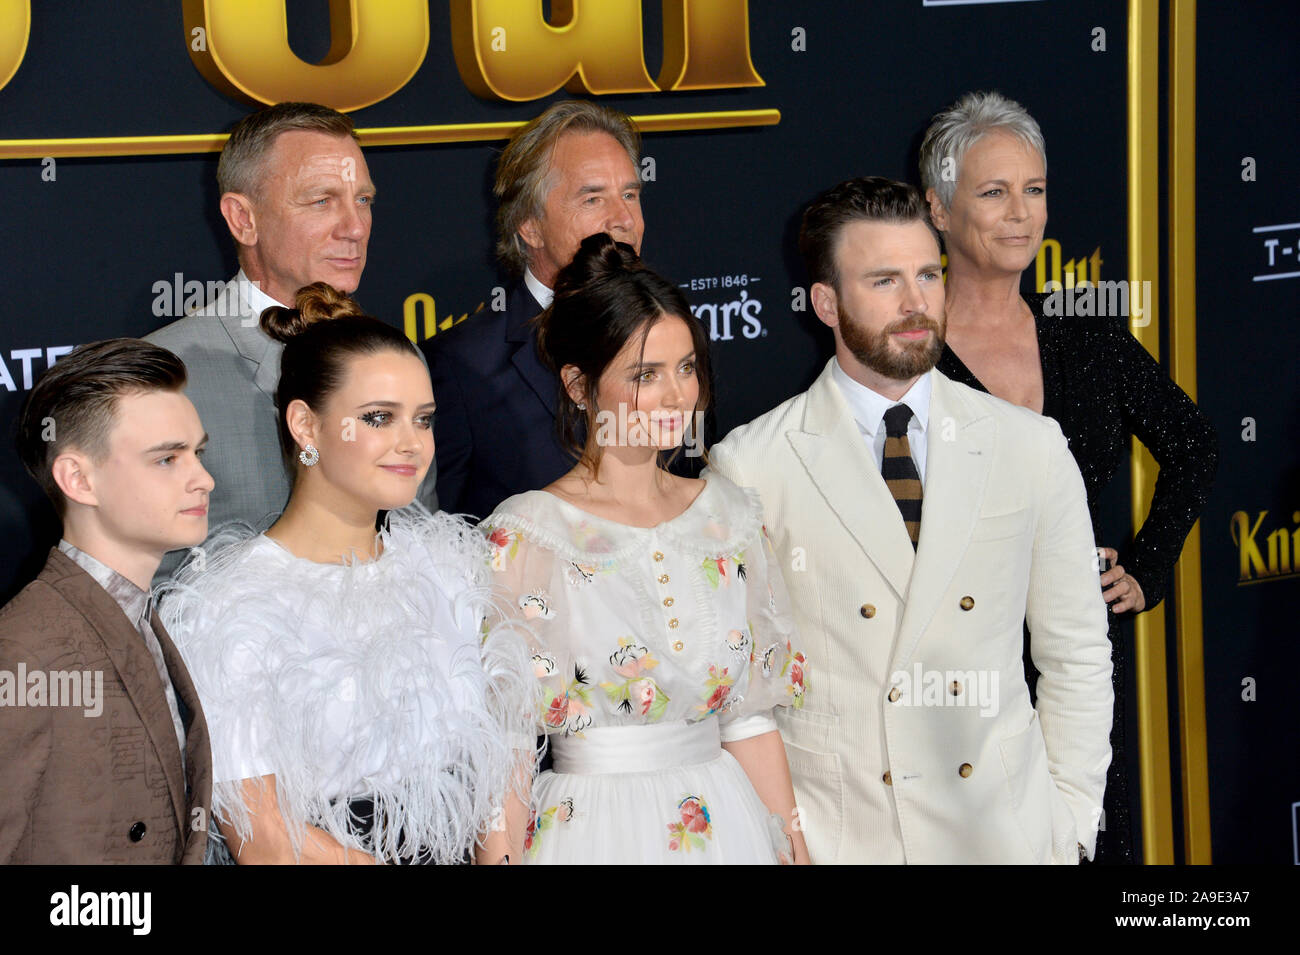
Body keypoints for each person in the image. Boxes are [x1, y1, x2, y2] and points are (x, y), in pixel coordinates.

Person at [709, 178, 1113, 864]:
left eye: (928, 274)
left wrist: (1069, 821)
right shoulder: (753, 465)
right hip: (848, 840)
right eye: (885, 280)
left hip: (1005, 835)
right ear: (826, 303)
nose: (916, 302)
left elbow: (1074, 652)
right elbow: (743, 695)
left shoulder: (1029, 446)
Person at [920, 91, 1219, 863]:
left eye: (1035, 189)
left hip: (1078, 668)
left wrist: (1146, 565)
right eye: (994, 191)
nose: (1021, 213)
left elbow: (1194, 442)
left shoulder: (1086, 335)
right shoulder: (906, 357)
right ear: (939, 209)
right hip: (956, 681)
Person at [157, 285, 532, 865]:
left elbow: (495, 772)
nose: (412, 444)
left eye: (424, 420)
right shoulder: (229, 610)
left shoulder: (449, 570)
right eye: (378, 418)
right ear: (306, 427)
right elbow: (268, 842)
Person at [483, 234, 809, 864]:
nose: (675, 395)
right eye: (644, 375)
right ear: (579, 386)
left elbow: (748, 720)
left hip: (727, 825)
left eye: (685, 367)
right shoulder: (525, 534)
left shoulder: (730, 516)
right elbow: (508, 746)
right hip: (590, 830)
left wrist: (793, 848)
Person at [148, 102, 434, 582]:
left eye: (363, 200)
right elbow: (146, 598)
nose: (355, 227)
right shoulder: (165, 379)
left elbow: (418, 545)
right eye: (322, 200)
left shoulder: (398, 361)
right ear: (243, 219)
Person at [1, 339, 213, 863]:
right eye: (167, 458)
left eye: (197, 453)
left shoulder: (139, 616)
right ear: (78, 479)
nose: (203, 479)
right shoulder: (25, 649)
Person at [423, 101, 646, 520]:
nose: (624, 219)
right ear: (530, 225)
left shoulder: (672, 338)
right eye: (593, 198)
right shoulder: (459, 365)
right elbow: (439, 541)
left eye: (630, 194)